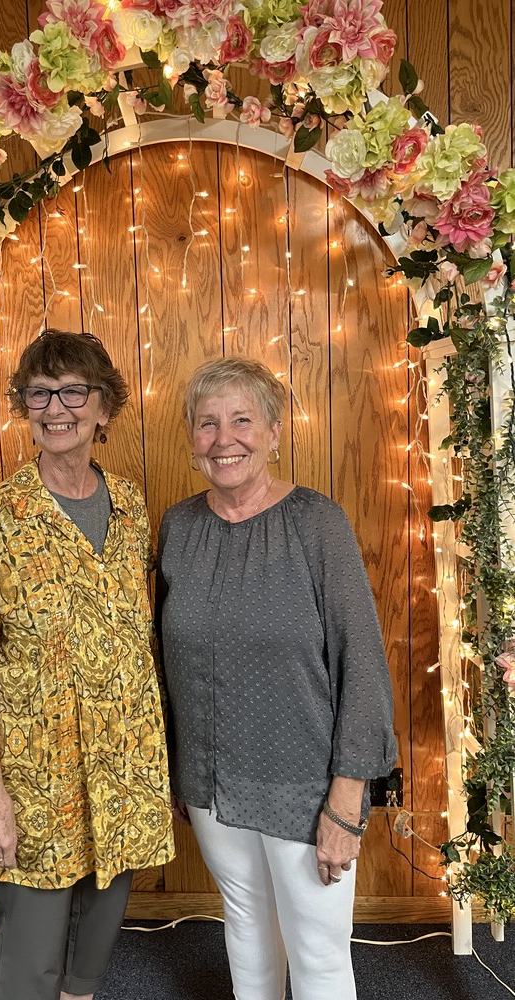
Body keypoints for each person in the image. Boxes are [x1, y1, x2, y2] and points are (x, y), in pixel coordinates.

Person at [156, 357, 397, 1000]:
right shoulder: (179, 527)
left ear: (273, 432)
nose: (224, 439)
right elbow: (168, 658)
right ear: (192, 439)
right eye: (207, 423)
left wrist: (348, 798)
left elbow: (363, 663)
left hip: (305, 786)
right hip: (210, 782)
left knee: (317, 953)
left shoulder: (318, 524)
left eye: (242, 420)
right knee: (246, 924)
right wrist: (177, 769)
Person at [0, 330, 174, 1000]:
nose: (56, 408)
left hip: (124, 762)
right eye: (39, 393)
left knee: (92, 953)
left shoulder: (131, 505)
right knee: (31, 965)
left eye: (74, 391)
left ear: (105, 407)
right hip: (36, 772)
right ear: (23, 406)